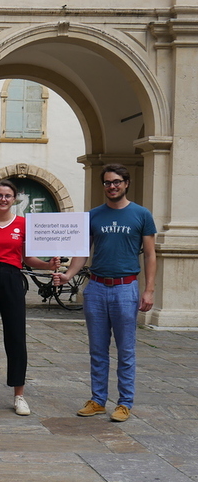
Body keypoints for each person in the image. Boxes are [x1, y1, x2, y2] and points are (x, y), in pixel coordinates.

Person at [54, 164, 156, 422]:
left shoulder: (142, 215)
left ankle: (124, 403)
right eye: (108, 182)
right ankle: (98, 400)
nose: (112, 186)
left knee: (126, 350)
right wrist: (68, 275)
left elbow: (150, 255)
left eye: (117, 181)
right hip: (97, 288)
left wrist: (149, 290)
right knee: (97, 349)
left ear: (126, 183)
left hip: (126, 288)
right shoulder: (93, 216)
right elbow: (82, 251)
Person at [0, 179, 59, 416]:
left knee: (16, 336)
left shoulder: (22, 224)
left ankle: (19, 395)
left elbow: (27, 258)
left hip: (12, 279)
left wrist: (48, 265)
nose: (3, 199)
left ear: (14, 198)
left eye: (8, 195)